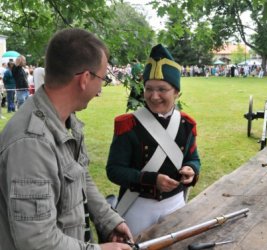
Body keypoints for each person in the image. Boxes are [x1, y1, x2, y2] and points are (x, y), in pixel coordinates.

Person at [0, 28, 133, 250]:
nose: (100, 89)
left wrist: (108, 219)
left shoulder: (62, 119)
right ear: (85, 79)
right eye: (102, 78)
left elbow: (80, 176)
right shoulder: (31, 144)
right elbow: (36, 241)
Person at [106, 44, 201, 236]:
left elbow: (193, 158)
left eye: (162, 89)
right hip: (137, 205)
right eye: (149, 88)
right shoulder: (128, 125)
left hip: (175, 203)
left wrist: (192, 170)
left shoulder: (186, 125)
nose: (154, 96)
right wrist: (151, 180)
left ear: (177, 92)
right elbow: (114, 171)